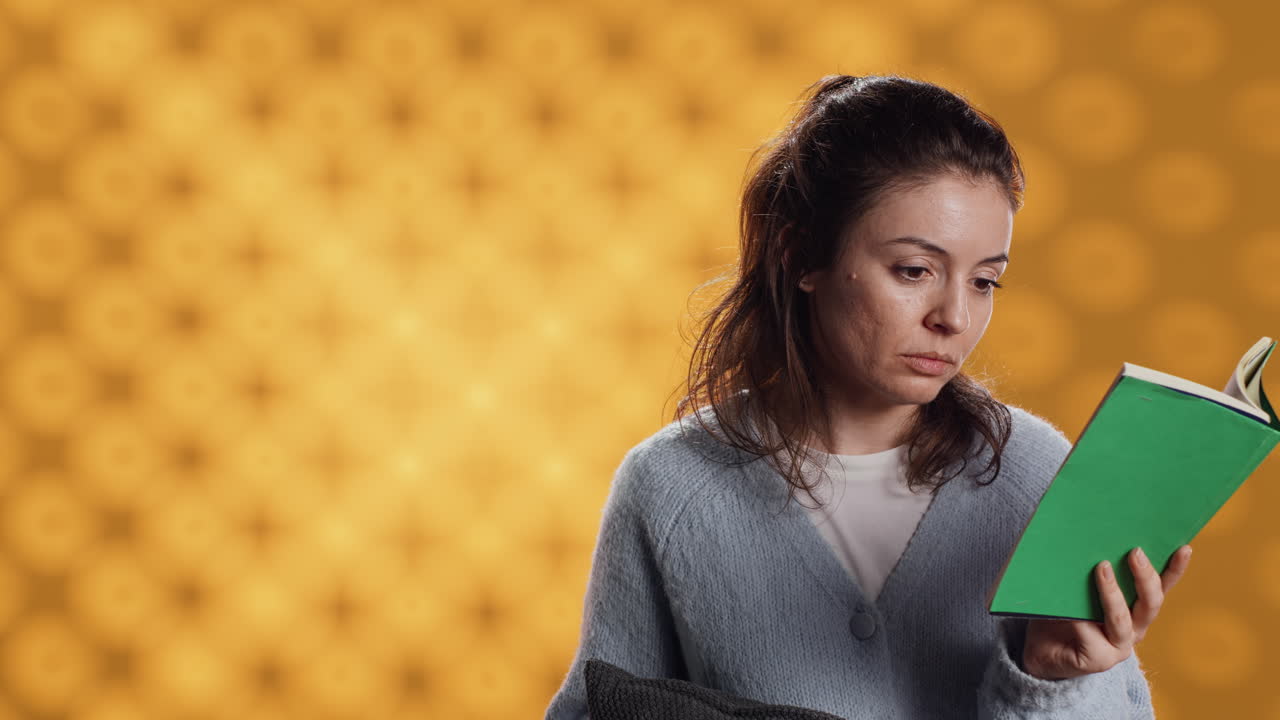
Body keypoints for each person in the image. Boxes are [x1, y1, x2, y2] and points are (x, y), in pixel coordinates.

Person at [545, 74, 1193, 719]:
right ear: (801, 254)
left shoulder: (1037, 474)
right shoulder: (669, 488)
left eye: (985, 281)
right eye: (914, 271)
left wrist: (1054, 681)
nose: (954, 318)